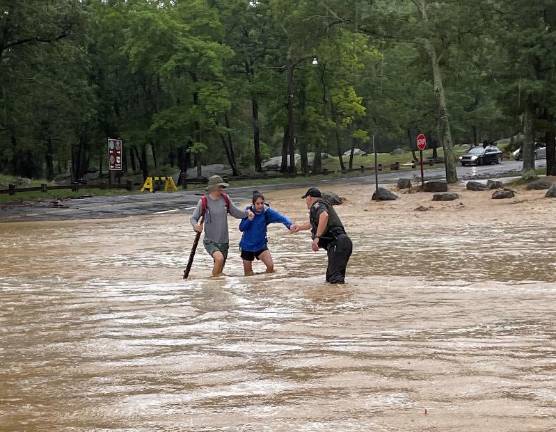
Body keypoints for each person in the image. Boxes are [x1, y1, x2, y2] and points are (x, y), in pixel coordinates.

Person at [190, 175, 253, 277]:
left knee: (219, 272)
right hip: (210, 240)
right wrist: (195, 226)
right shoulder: (204, 201)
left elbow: (235, 212)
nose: (222, 189)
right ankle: (212, 284)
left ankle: (215, 289)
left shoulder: (225, 199)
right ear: (213, 188)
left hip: (224, 241)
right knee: (219, 259)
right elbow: (193, 218)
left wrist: (247, 213)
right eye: (220, 187)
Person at [292, 187, 352, 284]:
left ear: (309, 197)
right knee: (331, 280)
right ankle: (341, 298)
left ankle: (340, 297)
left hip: (337, 243)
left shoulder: (317, 205)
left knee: (334, 280)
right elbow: (316, 222)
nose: (306, 202)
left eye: (306, 199)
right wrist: (299, 227)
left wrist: (317, 237)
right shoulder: (321, 205)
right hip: (340, 244)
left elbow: (324, 216)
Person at [239, 191, 296, 276]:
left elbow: (281, 217)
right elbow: (241, 228)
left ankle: (264, 282)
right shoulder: (248, 212)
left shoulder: (267, 212)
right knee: (248, 274)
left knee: (270, 267)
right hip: (247, 246)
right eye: (257, 203)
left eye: (262, 203)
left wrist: (290, 225)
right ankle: (256, 285)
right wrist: (249, 219)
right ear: (253, 204)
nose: (260, 206)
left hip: (260, 245)